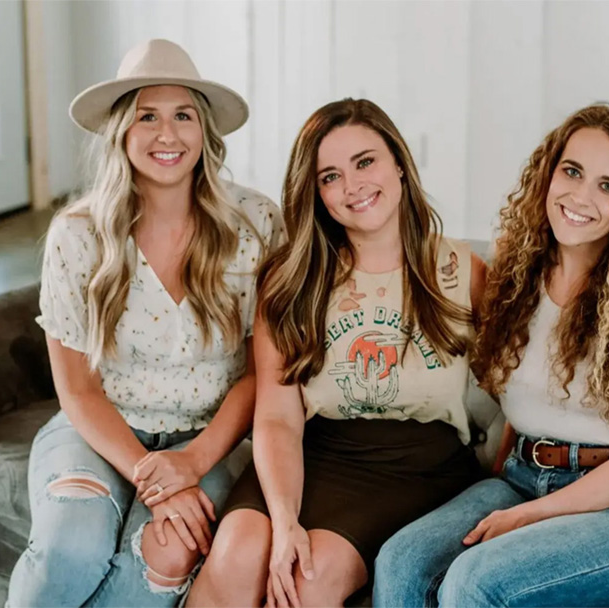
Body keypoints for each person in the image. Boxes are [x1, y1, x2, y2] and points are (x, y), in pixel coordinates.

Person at [373, 104, 609, 607]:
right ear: (549, 173)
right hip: (524, 477)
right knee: (401, 563)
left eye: (608, 186)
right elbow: (529, 398)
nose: (580, 196)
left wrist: (527, 519)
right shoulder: (516, 270)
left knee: (475, 582)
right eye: (572, 171)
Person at [6, 39, 283, 607]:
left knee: (170, 551)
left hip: (213, 440)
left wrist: (193, 462)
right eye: (146, 117)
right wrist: (151, 476)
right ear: (120, 133)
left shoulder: (255, 224)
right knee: (68, 551)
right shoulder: (77, 234)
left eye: (183, 115)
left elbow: (264, 373)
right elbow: (78, 389)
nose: (167, 134)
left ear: (205, 130)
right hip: (102, 430)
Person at [187, 98, 486, 608]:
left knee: (310, 577)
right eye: (330, 176)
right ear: (316, 192)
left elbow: (517, 387)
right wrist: (285, 521)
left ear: (398, 162)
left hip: (419, 466)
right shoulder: (290, 280)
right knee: (238, 554)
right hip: (312, 450)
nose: (352, 186)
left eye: (365, 161)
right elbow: (278, 417)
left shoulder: (461, 270)